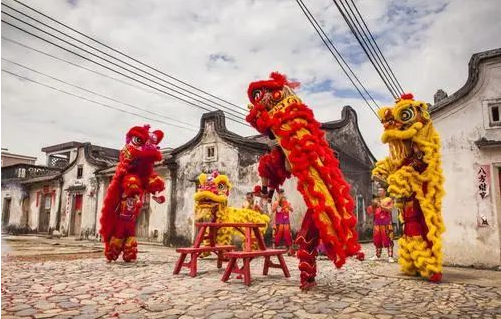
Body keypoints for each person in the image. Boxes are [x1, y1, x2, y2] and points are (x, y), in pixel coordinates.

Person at [366, 187, 395, 262]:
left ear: (385, 192)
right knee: (377, 240)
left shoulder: (389, 199)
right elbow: (371, 211)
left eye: (381, 190)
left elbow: (390, 209)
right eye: (378, 190)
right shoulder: (375, 200)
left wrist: (380, 206)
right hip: (377, 223)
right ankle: (377, 255)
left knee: (389, 239)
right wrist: (371, 207)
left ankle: (390, 256)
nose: (379, 192)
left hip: (386, 223)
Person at [272, 189, 295, 256]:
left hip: (286, 221)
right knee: (278, 235)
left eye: (282, 193)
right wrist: (277, 206)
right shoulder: (276, 202)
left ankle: (289, 249)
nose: (281, 195)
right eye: (279, 193)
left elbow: (292, 210)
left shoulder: (287, 202)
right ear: (278, 194)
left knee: (287, 235)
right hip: (279, 221)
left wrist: (288, 206)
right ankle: (274, 249)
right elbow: (273, 210)